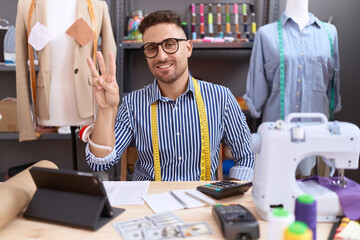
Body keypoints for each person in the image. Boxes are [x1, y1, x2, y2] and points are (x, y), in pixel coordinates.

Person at [85, 10, 254, 181]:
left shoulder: (221, 98)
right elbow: (99, 164)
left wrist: (228, 193)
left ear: (188, 48)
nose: (161, 56)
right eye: (151, 48)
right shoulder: (132, 104)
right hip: (147, 203)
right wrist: (105, 109)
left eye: (170, 44)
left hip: (200, 203)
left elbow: (247, 156)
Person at [243, 0, 341, 176]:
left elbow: (333, 84)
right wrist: (253, 107)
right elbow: (256, 88)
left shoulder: (330, 33)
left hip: (317, 133)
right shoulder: (265, 34)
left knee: (315, 192)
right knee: (276, 195)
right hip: (278, 133)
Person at [15, 0, 116, 141]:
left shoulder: (97, 5)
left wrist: (106, 116)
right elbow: (20, 64)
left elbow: (109, 53)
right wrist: (26, 126)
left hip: (86, 103)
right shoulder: (26, 5)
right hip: (49, 104)